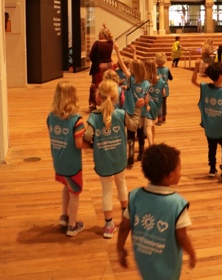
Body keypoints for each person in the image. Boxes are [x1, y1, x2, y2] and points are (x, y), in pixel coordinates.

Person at [117, 143, 196, 279]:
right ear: (170, 175)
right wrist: (192, 254)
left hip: (143, 262)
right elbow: (181, 236)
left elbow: (124, 225)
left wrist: (120, 248)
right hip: (168, 267)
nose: (180, 172)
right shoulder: (177, 204)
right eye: (179, 169)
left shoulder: (135, 196)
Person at [84, 79, 144, 238]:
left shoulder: (94, 117)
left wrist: (94, 144)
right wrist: (138, 109)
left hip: (103, 160)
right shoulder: (121, 114)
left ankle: (109, 225)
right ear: (116, 96)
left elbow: (88, 135)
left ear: (98, 97)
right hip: (119, 158)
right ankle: (125, 216)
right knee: (121, 183)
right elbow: (134, 126)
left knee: (106, 190)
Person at [46, 81, 90, 237]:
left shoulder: (51, 117)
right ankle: (72, 225)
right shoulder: (76, 120)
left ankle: (64, 216)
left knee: (66, 186)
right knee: (75, 194)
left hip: (58, 161)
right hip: (72, 164)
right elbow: (79, 144)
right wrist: (91, 146)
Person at [191, 60, 222, 181]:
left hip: (210, 127)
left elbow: (193, 81)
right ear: (220, 76)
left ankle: (212, 169)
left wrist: (197, 67)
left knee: (211, 148)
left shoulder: (205, 87)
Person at [114, 43, 150, 164]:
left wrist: (117, 51)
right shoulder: (146, 83)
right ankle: (141, 153)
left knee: (130, 134)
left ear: (133, 70)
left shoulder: (130, 79)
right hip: (142, 112)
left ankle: (130, 155)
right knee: (140, 133)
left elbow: (123, 65)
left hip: (130, 111)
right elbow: (146, 99)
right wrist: (145, 104)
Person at [88, 23, 114, 111]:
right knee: (107, 84)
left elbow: (91, 55)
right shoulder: (110, 43)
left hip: (99, 66)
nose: (98, 35)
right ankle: (107, 101)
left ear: (102, 35)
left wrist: (95, 61)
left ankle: (94, 103)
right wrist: (106, 28)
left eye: (99, 33)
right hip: (109, 66)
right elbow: (111, 37)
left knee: (95, 85)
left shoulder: (97, 43)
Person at [143, 59, 165, 145]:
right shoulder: (160, 80)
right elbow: (164, 93)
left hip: (148, 105)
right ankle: (152, 142)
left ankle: (151, 145)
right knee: (152, 124)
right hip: (157, 104)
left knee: (148, 127)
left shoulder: (145, 80)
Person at [155, 52, 173, 125]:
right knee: (164, 104)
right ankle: (164, 117)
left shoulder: (154, 70)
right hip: (165, 89)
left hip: (157, 90)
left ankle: (159, 119)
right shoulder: (167, 69)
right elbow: (171, 78)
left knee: (159, 104)